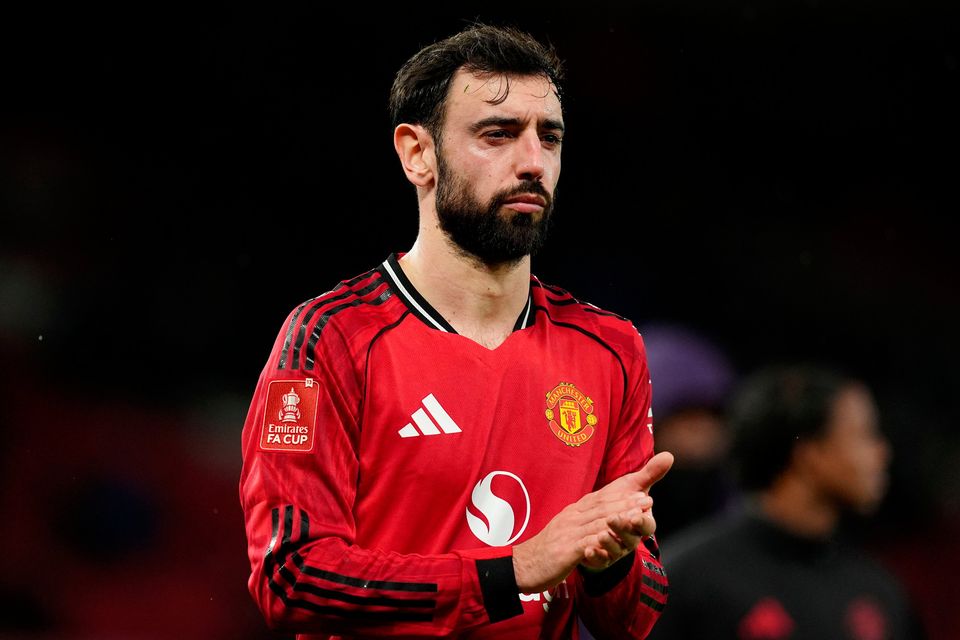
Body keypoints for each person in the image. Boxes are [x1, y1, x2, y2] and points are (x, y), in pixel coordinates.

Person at [239, 23, 673, 640]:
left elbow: (634, 620)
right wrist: (507, 574)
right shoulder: (328, 339)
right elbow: (291, 577)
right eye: (497, 135)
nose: (533, 162)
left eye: (549, 137)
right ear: (417, 153)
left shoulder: (611, 348)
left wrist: (612, 563)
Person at [649, 364, 920, 640]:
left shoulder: (880, 590)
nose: (882, 453)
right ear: (810, 453)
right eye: (864, 434)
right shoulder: (685, 581)